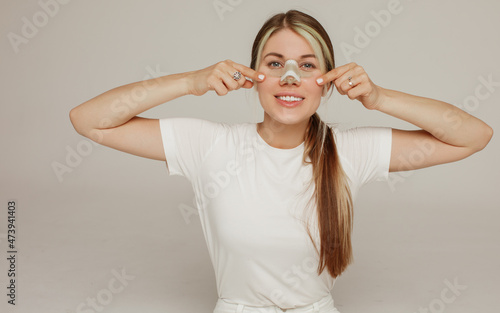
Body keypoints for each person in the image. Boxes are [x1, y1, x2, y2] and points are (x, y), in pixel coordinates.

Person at [69, 9, 493, 313]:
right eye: (275, 64)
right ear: (253, 76)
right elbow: (89, 121)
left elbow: (474, 136)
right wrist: (191, 81)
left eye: (307, 65)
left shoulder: (348, 151)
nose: (290, 76)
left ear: (327, 82)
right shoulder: (210, 145)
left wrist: (378, 97)